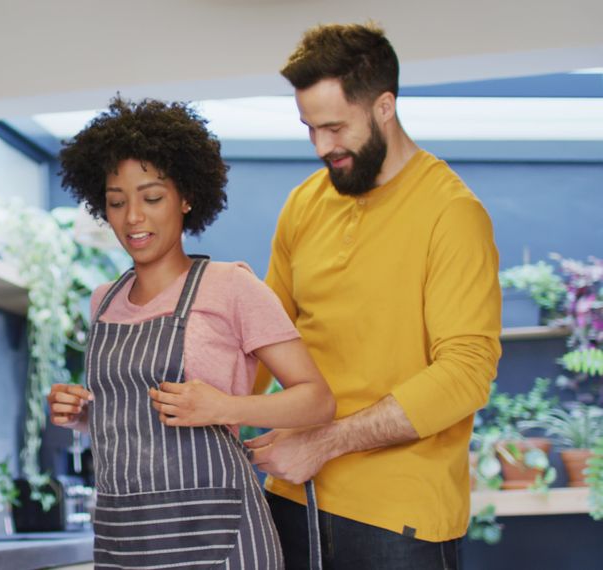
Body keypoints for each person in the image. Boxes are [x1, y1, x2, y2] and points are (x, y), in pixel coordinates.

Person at [244, 23, 502, 570]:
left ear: (385, 106)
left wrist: (323, 442)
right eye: (309, 128)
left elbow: (466, 371)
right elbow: (263, 341)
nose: (321, 147)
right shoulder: (304, 204)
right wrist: (138, 405)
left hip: (398, 516)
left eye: (335, 127)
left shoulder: (451, 213)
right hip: (291, 496)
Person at [47, 96, 335, 569]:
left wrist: (225, 407)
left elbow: (318, 400)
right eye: (116, 202)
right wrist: (83, 413)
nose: (133, 217)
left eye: (152, 197)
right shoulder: (103, 302)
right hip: (127, 539)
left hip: (218, 536)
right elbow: (131, 420)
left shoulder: (232, 287)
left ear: (185, 198)